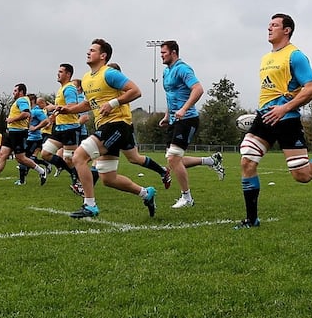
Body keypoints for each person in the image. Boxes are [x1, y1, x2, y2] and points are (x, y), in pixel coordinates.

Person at [235, 13, 312, 229]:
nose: (269, 28)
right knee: (247, 161)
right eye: (269, 25)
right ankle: (252, 220)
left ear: (286, 30)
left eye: (274, 25)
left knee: (302, 175)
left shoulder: (295, 56)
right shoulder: (265, 58)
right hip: (265, 117)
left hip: (287, 119)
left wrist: (285, 108)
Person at [56, 39, 156, 219]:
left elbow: (135, 91)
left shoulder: (109, 73)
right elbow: (88, 104)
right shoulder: (87, 78)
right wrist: (68, 109)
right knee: (108, 179)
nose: (88, 52)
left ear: (103, 56)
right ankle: (146, 193)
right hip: (105, 126)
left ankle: (90, 205)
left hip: (117, 124)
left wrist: (113, 103)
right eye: (88, 50)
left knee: (78, 156)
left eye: (93, 50)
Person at [158, 40, 226, 209]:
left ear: (173, 52)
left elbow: (198, 89)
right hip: (174, 120)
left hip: (187, 119)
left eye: (164, 52)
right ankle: (210, 161)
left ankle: (187, 198)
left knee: (173, 158)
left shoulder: (183, 69)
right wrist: (167, 115)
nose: (161, 55)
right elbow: (171, 95)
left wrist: (184, 109)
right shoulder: (166, 72)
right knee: (173, 161)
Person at [105, 62, 172, 190]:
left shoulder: (119, 88)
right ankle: (162, 171)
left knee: (95, 152)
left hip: (119, 126)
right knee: (134, 158)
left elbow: (134, 92)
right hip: (116, 126)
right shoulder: (109, 89)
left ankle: (81, 186)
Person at [0, 84, 49, 187]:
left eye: (15, 90)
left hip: (18, 133)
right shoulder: (21, 101)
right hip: (12, 132)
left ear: (21, 92)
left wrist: (12, 119)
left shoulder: (22, 100)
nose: (13, 92)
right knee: (2, 155)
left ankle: (41, 171)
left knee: (21, 158)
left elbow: (26, 114)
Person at [40, 64, 86, 194]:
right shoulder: (62, 88)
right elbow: (62, 108)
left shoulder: (69, 88)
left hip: (70, 128)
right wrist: (53, 116)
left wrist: (53, 107)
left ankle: (80, 183)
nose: (58, 74)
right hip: (59, 128)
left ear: (68, 74)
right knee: (45, 154)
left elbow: (72, 107)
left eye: (61, 71)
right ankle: (74, 175)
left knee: (69, 159)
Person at [17, 94, 52, 185]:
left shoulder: (37, 111)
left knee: (24, 159)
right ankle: (24, 178)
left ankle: (23, 180)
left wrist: (36, 128)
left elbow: (46, 121)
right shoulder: (29, 111)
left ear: (32, 101)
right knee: (24, 159)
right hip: (27, 137)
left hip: (34, 139)